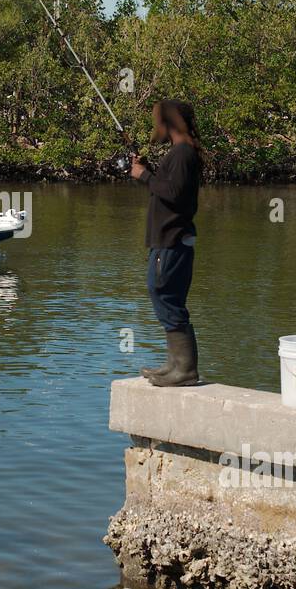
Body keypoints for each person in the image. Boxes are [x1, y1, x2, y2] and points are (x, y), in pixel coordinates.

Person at [130, 99, 204, 386]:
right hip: (169, 240)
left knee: (164, 295)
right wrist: (149, 172)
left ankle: (185, 369)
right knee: (165, 296)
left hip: (171, 240)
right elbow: (172, 188)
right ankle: (175, 363)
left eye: (157, 121)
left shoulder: (183, 153)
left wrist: (144, 175)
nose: (155, 127)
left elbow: (173, 193)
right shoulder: (179, 154)